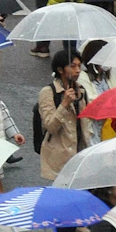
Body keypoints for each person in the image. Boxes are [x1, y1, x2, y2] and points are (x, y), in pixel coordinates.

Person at [37, 48, 87, 183]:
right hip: (58, 161)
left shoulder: (81, 91)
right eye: (72, 66)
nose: (78, 70)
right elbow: (50, 126)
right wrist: (64, 104)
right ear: (60, 70)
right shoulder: (48, 92)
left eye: (79, 66)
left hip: (79, 158)